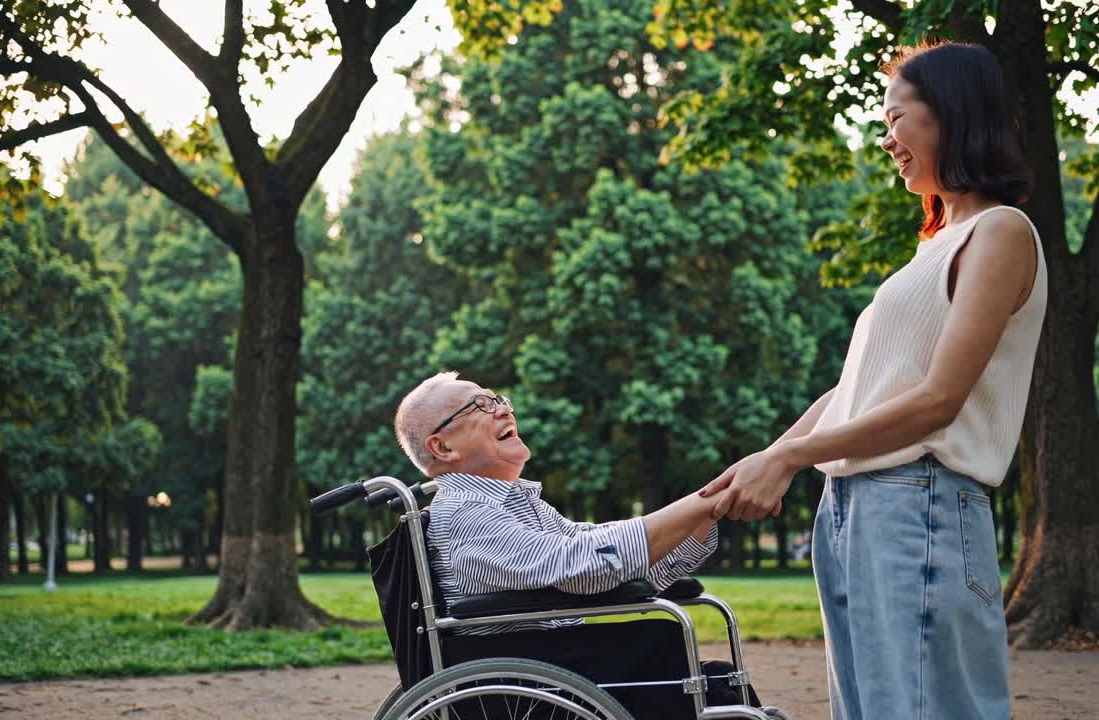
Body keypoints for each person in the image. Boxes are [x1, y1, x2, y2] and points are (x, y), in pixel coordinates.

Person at [700, 42, 1044, 720]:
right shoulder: (936, 245)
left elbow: (938, 401)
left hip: (919, 500)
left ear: (950, 114)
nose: (886, 141)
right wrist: (770, 456)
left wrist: (791, 459)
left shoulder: (1001, 232)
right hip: (857, 507)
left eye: (895, 119)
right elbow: (854, 391)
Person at [393, 371, 763, 719]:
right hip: (525, 685)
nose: (504, 409)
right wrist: (704, 501)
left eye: (498, 400)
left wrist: (707, 513)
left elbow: (606, 557)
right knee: (674, 657)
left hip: (556, 667)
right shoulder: (465, 513)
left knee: (720, 682)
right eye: (480, 405)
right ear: (442, 446)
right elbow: (583, 565)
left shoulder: (517, 505)